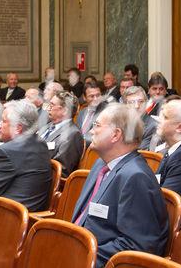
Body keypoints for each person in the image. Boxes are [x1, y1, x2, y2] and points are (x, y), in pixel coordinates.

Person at [72, 103, 169, 267]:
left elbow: (136, 246)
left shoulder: (136, 177)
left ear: (116, 135)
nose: (91, 130)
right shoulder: (100, 165)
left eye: (97, 125)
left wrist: (82, 256)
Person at [0, 100, 52, 211]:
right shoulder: (40, 143)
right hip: (29, 216)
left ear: (18, 128)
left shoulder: (6, 152)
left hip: (4, 217)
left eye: (3, 121)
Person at [38, 91, 84, 177]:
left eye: (52, 105)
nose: (48, 108)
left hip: (43, 180)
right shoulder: (47, 126)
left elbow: (61, 170)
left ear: (64, 110)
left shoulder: (73, 134)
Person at [122, 86, 157, 150]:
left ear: (146, 103)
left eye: (141, 101)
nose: (137, 106)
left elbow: (141, 152)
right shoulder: (120, 122)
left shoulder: (153, 126)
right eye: (131, 102)